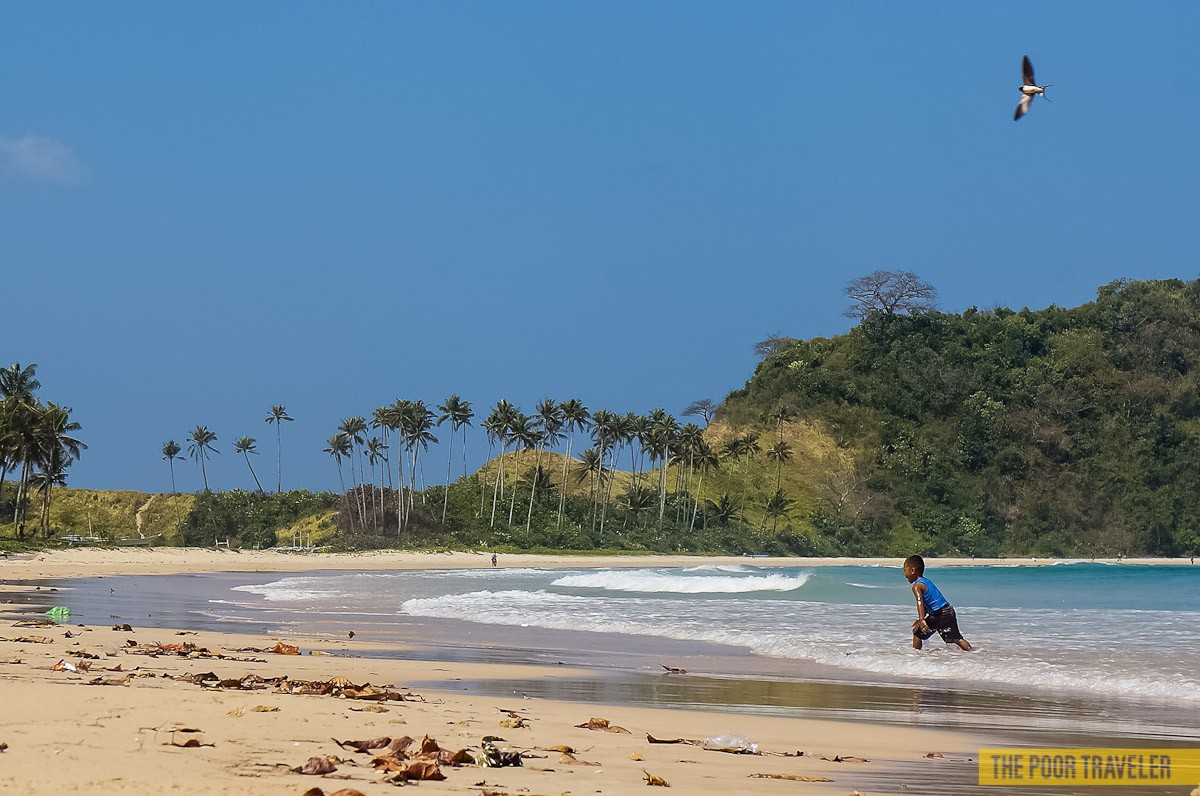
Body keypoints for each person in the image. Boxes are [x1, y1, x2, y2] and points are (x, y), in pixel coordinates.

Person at [903, 555, 972, 651]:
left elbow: (920, 602)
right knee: (956, 638)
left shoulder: (917, 586)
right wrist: (922, 619)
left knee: (917, 634)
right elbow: (929, 604)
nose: (904, 574)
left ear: (912, 570)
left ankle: (915, 656)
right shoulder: (926, 581)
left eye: (905, 570)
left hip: (939, 614)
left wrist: (922, 620)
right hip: (948, 610)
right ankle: (972, 653)